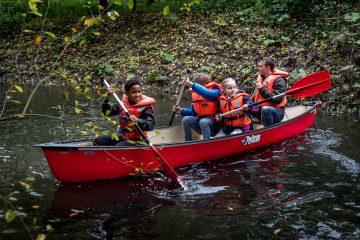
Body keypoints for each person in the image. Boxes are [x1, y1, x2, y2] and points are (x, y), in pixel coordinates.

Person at [93, 79, 156, 146]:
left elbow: (150, 125)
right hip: (123, 136)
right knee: (98, 141)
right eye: (134, 92)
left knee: (118, 147)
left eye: (139, 91)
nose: (138, 95)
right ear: (126, 93)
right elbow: (106, 113)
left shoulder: (145, 108)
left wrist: (137, 120)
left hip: (139, 140)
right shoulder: (123, 104)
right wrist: (107, 98)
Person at [172, 73, 221, 141]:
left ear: (204, 84)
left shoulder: (216, 91)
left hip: (215, 125)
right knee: (186, 119)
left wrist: (192, 85)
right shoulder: (196, 95)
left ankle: (206, 143)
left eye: (197, 86)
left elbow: (209, 95)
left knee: (203, 121)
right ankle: (188, 142)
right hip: (201, 124)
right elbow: (193, 113)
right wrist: (181, 110)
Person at [251, 57, 289, 127]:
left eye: (260, 66)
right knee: (245, 107)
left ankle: (269, 131)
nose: (258, 68)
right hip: (260, 110)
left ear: (268, 68)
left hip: (277, 112)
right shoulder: (261, 78)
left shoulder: (279, 80)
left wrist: (262, 89)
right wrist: (247, 103)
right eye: (258, 66)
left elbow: (277, 100)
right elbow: (253, 98)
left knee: (266, 109)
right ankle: (247, 132)